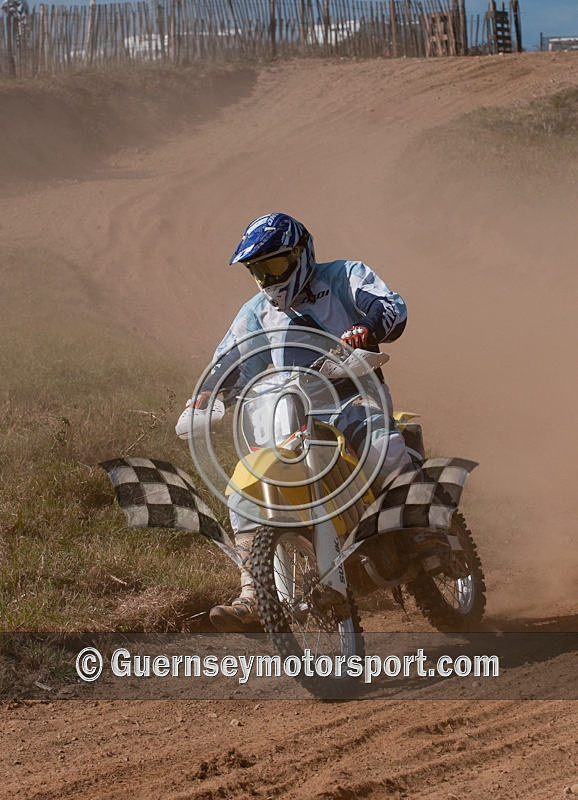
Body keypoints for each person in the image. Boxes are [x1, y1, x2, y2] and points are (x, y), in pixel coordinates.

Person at [182, 212, 412, 632]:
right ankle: (255, 593)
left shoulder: (344, 276)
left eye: (275, 265)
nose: (268, 279)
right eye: (258, 270)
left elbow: (390, 307)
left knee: (382, 448)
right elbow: (228, 358)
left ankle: (423, 532)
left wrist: (366, 328)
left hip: (351, 399)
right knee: (245, 489)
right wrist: (206, 395)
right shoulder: (254, 313)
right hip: (287, 417)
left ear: (301, 254)